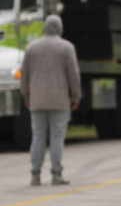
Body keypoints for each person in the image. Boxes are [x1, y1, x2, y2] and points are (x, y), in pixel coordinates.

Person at [20, 14, 81, 186]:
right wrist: (75, 96)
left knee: (38, 136)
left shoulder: (31, 48)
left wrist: (26, 95)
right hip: (59, 100)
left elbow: (24, 75)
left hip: (37, 100)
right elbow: (74, 75)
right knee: (57, 137)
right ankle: (56, 173)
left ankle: (35, 174)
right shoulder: (67, 47)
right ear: (59, 28)